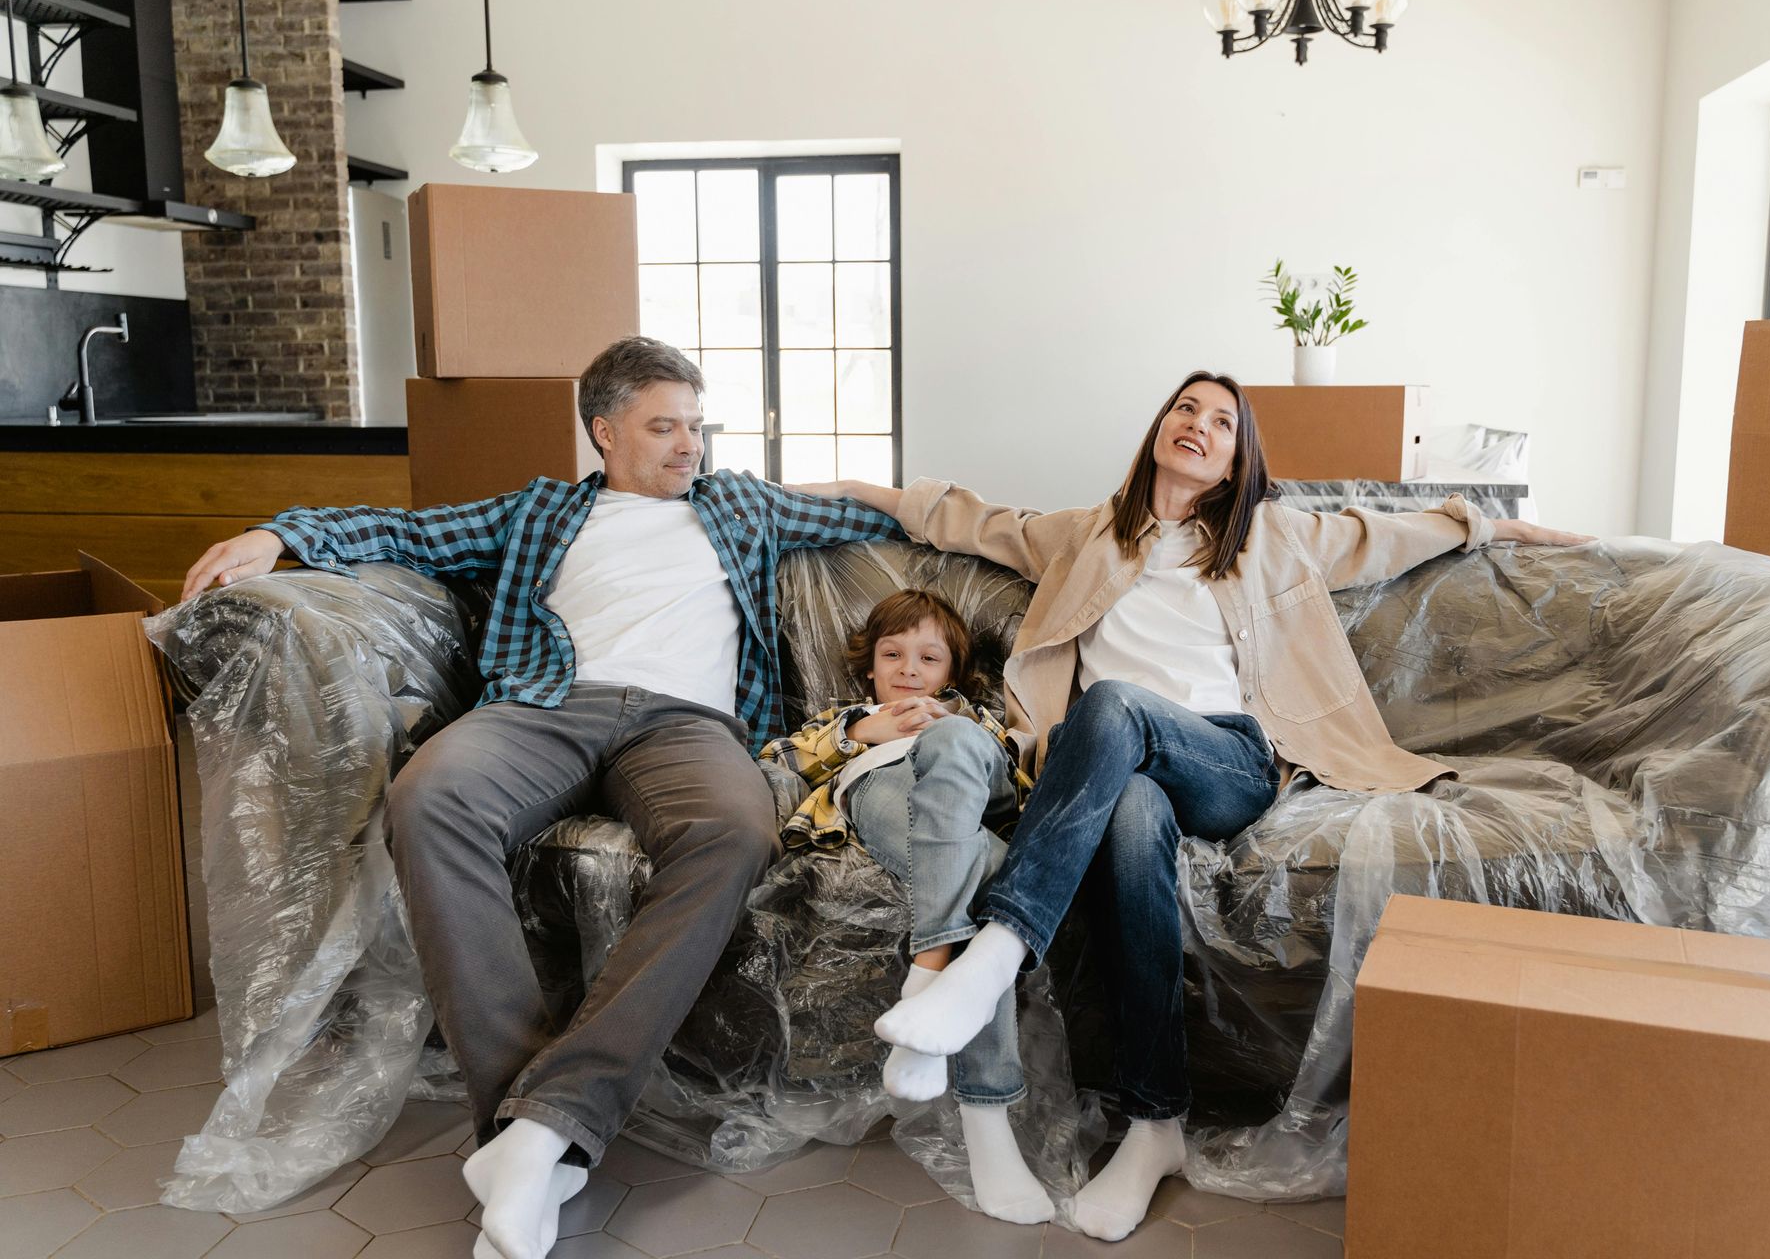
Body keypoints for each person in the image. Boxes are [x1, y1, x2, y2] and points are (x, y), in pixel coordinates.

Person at [792, 370, 1591, 1241]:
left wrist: (1500, 525)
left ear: (1238, 455)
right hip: (1119, 770)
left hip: (1227, 759)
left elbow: (1391, 534)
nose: (1200, 427)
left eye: (1222, 422)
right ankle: (1154, 1125)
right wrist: (850, 486)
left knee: (1114, 703)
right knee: (1132, 817)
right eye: (1186, 409)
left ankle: (988, 959)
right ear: (1160, 427)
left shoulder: (1274, 536)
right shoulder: (1085, 535)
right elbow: (968, 518)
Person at [180, 337, 900, 1259]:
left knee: (734, 831)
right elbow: (405, 532)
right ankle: (530, 1126)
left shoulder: (741, 505)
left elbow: (883, 514)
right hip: (546, 705)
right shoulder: (541, 511)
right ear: (604, 431)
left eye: (696, 424)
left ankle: (544, 1124)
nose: (691, 444)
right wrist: (278, 534)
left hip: (687, 726)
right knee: (427, 798)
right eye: (664, 426)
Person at [760, 588, 1051, 1224]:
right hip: (883, 788)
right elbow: (772, 759)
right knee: (985, 887)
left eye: (928, 658)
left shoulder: (977, 716)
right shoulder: (849, 720)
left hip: (973, 780)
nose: (908, 670)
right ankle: (986, 1119)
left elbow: (1022, 771)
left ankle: (926, 983)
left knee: (952, 744)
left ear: (953, 672)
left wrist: (955, 725)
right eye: (892, 655)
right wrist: (862, 733)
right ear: (869, 667)